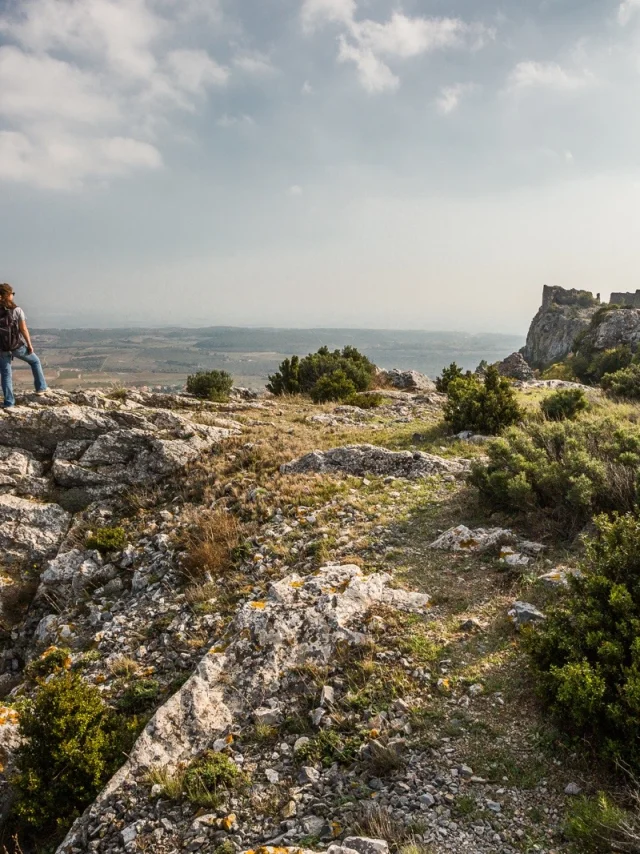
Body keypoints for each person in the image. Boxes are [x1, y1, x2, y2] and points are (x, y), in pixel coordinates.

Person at [0, 283, 47, 409]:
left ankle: (9, 403)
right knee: (35, 361)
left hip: (2, 348)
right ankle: (41, 388)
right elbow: (23, 329)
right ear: (7, 295)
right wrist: (29, 345)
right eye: (12, 294)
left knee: (6, 375)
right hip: (16, 346)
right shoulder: (17, 310)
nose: (13, 296)